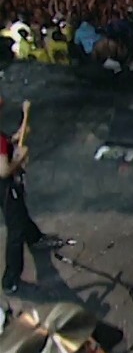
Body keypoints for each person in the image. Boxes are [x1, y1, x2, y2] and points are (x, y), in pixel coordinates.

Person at [1, 98, 62, 294]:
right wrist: (20, 157)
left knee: (19, 215)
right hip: (5, 187)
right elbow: (3, 170)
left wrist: (15, 138)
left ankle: (35, 239)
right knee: (16, 231)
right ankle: (10, 279)